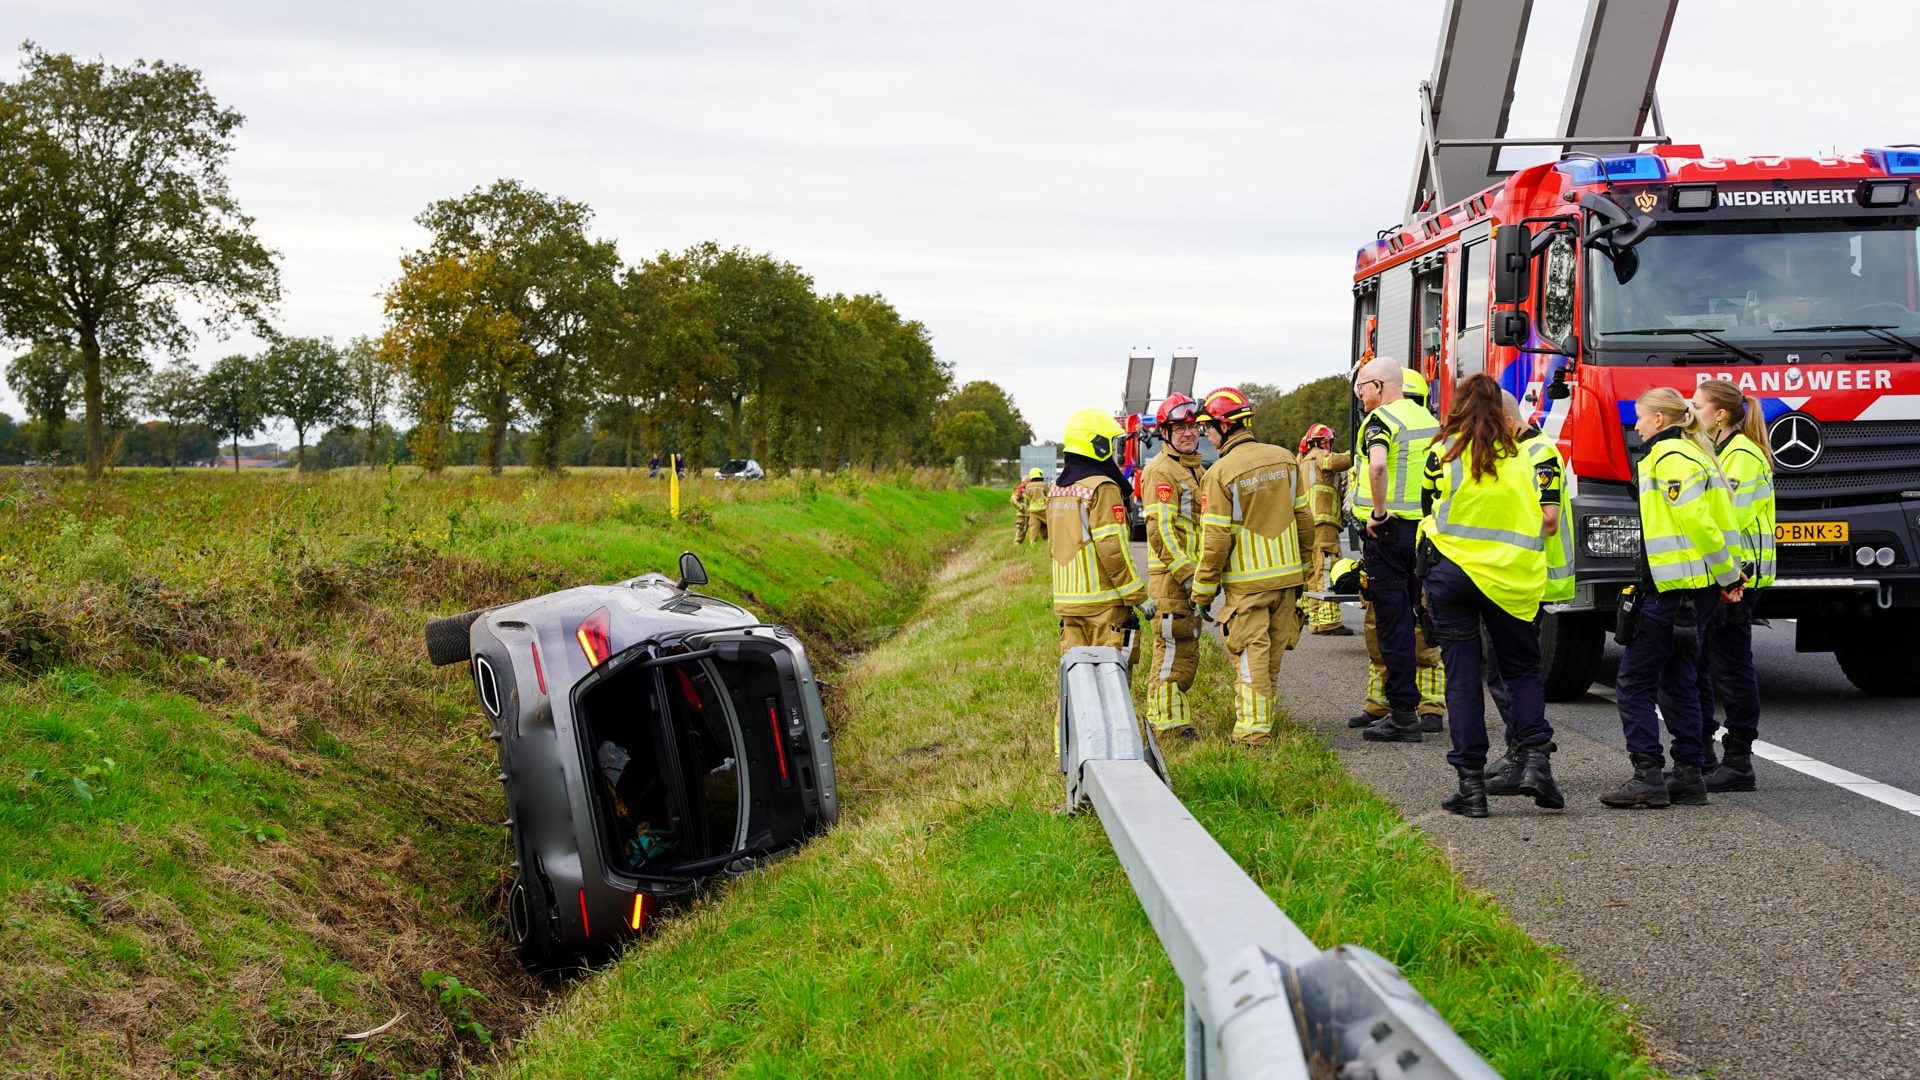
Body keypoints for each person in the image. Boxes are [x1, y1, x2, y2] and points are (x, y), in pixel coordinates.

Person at [1418, 374, 1561, 817]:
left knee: (1461, 678)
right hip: (1511, 581)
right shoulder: (1527, 455)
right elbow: (1547, 516)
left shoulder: (1440, 455)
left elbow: (1428, 511)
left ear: (1458, 406)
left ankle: (1471, 787)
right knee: (1522, 672)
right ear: (1501, 409)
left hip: (1453, 576)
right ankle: (1535, 759)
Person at [1601, 387, 1744, 809]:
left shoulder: (1668, 459)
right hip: (1694, 592)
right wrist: (1724, 577)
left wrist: (1727, 575)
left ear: (1660, 421)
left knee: (1633, 683)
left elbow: (1698, 522)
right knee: (1678, 680)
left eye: (1641, 417)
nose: (1637, 425)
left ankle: (1647, 774)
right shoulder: (1696, 453)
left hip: (1671, 591)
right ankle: (1688, 773)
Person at [1190, 386, 1315, 746]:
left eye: (1208, 428)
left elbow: (1215, 541)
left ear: (1225, 426)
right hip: (1286, 579)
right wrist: (1303, 567)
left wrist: (1202, 592)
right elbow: (1304, 519)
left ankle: (1252, 734)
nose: (1206, 436)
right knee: (1271, 656)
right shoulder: (1286, 459)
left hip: (1248, 586)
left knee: (1250, 656)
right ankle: (1263, 721)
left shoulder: (1219, 473)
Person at [1484, 391, 1571, 795]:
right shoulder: (1515, 452)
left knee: (1512, 671)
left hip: (1532, 576)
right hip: (1511, 576)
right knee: (1501, 670)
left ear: (1505, 418)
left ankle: (1529, 753)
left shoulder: (1539, 452)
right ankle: (1520, 749)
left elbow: (1548, 519)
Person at [1691, 378, 1774, 792]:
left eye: (1697, 405)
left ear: (1719, 414)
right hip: (1724, 572)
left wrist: (1724, 574)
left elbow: (1729, 519)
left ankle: (1738, 759)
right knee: (1706, 661)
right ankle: (1704, 752)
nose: (1691, 411)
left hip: (1739, 575)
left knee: (1730, 665)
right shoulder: (1721, 451)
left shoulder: (1741, 455)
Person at [1352, 358, 1441, 743]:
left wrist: (1378, 513)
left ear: (1378, 386)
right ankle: (1432, 704)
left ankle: (1403, 713)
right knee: (1422, 614)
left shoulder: (1381, 421)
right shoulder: (1430, 422)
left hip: (1388, 535)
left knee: (1393, 623)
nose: (1360, 396)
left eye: (1361, 389)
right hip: (1424, 535)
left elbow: (1377, 467)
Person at [1048, 408, 1152, 659]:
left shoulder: (1057, 490)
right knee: (1110, 686)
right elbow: (1112, 549)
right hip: (1103, 606)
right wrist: (1137, 597)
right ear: (1098, 445)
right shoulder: (1102, 488)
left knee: (1078, 684)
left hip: (1068, 604)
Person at [1140, 393, 1208, 739]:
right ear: (1165, 433)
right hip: (1171, 580)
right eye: (1178, 428)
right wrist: (1187, 574)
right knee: (1171, 650)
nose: (1187, 433)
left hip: (1188, 578)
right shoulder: (1160, 470)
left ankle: (1173, 720)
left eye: (1192, 426)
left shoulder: (1194, 468)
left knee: (1186, 651)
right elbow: (1160, 530)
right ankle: (1165, 727)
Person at [1297, 422, 1354, 636]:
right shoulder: (1319, 456)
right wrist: (1360, 449)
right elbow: (1339, 461)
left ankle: (1316, 618)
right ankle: (1329, 622)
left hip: (1308, 523)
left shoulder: (1302, 462)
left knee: (1313, 572)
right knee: (1327, 568)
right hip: (1323, 522)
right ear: (1324, 442)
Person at [1011, 467, 1048, 544]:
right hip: (1024, 514)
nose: (1030, 483)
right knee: (1022, 529)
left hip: (1031, 512)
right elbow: (1013, 500)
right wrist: (1020, 507)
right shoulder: (1019, 489)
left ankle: (1042, 540)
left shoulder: (1028, 488)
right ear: (1024, 482)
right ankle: (1017, 543)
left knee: (1040, 528)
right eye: (1028, 481)